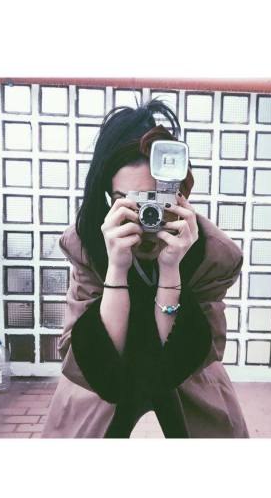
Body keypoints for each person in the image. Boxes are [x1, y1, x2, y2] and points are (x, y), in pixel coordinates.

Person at [41, 98, 249, 438]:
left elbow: (189, 358)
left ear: (179, 195)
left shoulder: (213, 254)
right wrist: (116, 267)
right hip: (102, 391)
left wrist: (171, 270)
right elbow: (87, 362)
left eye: (154, 200)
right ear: (107, 198)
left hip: (185, 385)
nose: (145, 215)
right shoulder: (87, 242)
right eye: (129, 202)